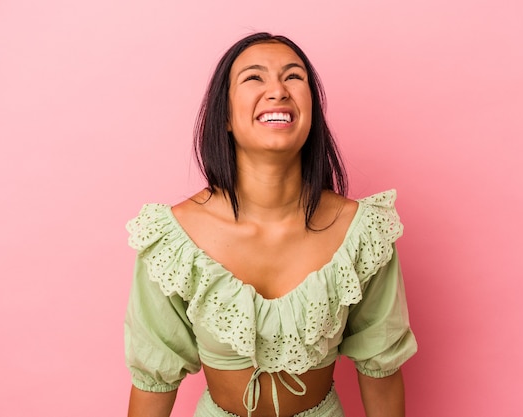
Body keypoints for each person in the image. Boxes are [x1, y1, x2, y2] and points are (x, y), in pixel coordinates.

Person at [125, 32, 417, 417]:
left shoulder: (362, 232)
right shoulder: (173, 238)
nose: (277, 90)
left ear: (311, 109)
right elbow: (153, 382)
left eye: (294, 77)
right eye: (254, 78)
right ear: (225, 116)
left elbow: (381, 369)